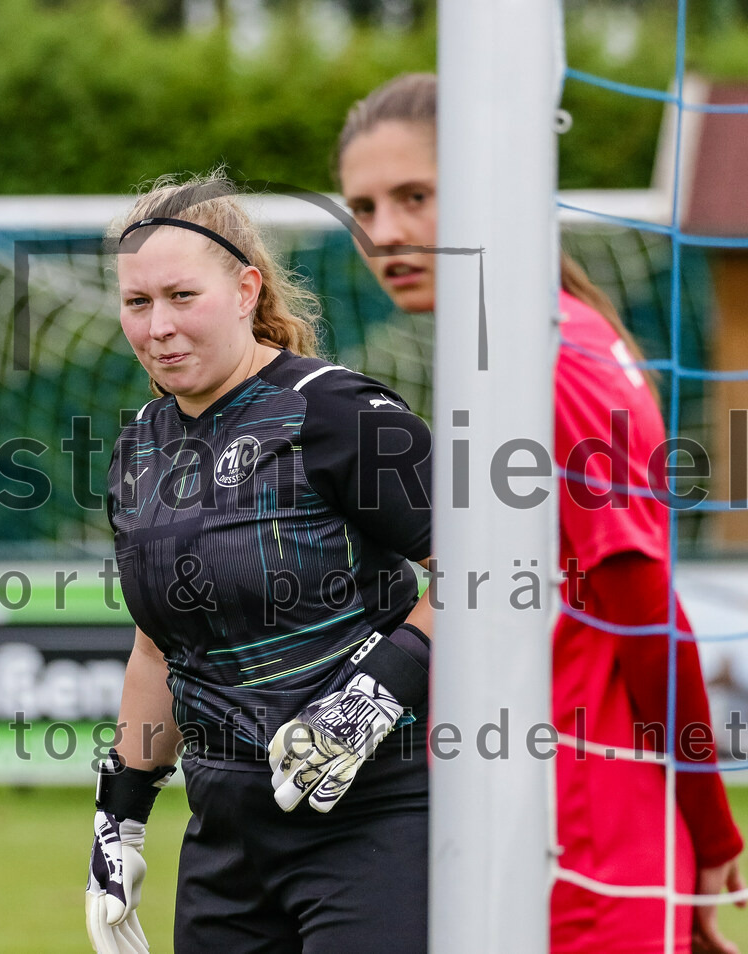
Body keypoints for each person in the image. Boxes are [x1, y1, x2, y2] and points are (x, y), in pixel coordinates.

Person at [335, 72, 746, 954]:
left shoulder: (553, 362)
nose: (388, 233)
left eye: (416, 196)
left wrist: (710, 832)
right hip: (544, 814)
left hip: (578, 834)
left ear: (497, 185)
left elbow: (643, 608)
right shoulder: (543, 337)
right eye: (364, 206)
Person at [84, 170, 435, 954]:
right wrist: (121, 820)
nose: (158, 326)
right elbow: (155, 649)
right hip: (227, 842)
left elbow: (493, 576)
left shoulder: (338, 410)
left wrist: (372, 697)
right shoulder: (139, 447)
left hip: (380, 821)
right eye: (138, 303)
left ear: (246, 290)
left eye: (182, 296)